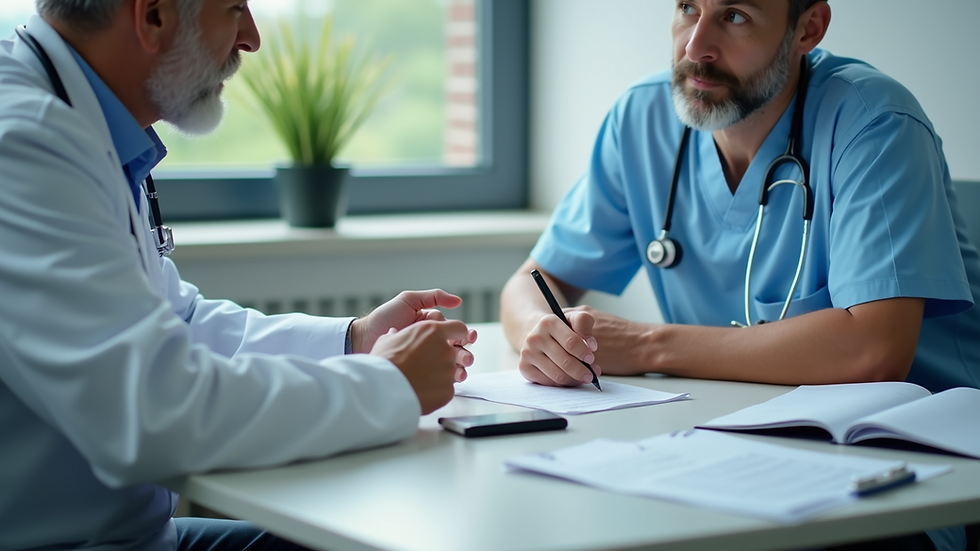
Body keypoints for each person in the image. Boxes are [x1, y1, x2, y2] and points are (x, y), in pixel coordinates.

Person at [500, 1, 980, 550]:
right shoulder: (642, 119)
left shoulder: (874, 121)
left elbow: (872, 352)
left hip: (902, 463)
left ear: (808, 28)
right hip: (724, 444)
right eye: (687, 9)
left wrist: (650, 346)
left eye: (735, 16)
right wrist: (544, 336)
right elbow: (533, 282)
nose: (694, 46)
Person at [0, 0, 478, 550]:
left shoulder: (77, 123)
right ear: (152, 15)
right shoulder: (26, 142)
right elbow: (153, 414)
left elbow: (180, 321)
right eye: (233, 9)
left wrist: (354, 340)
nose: (250, 38)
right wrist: (387, 385)